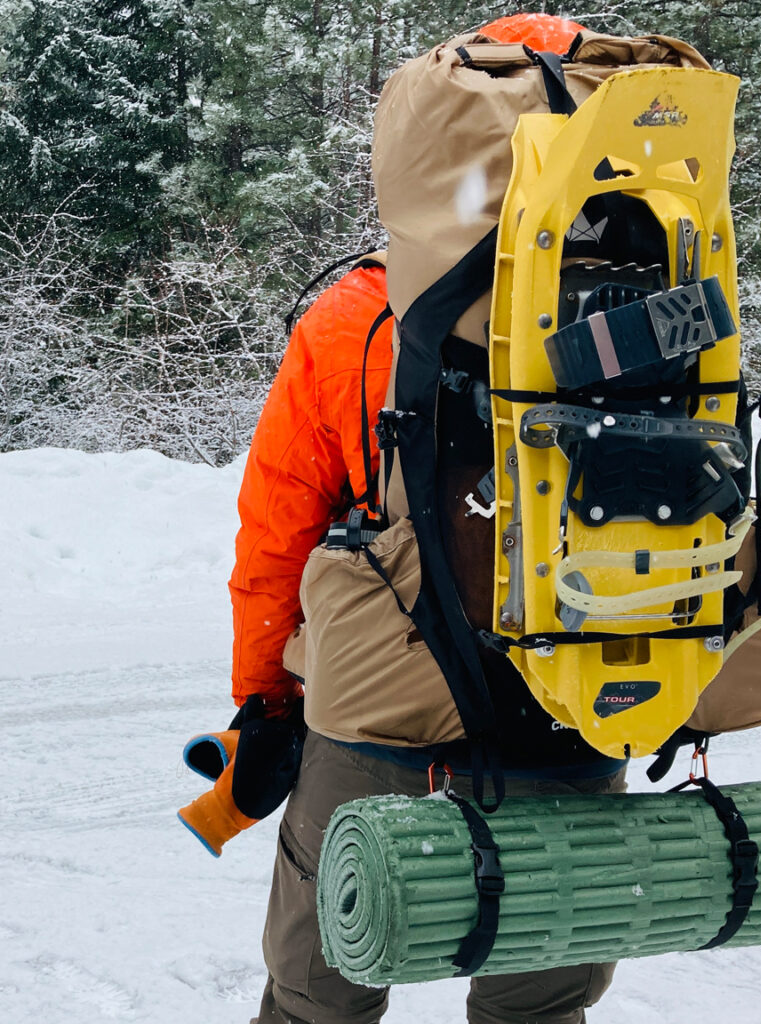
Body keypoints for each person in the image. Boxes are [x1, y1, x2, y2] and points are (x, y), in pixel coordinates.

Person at [224, 15, 630, 1024]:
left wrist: (265, 703)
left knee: (321, 988)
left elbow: (276, 537)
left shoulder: (351, 320)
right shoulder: (658, 313)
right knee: (537, 1003)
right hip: (583, 692)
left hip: (381, 711)